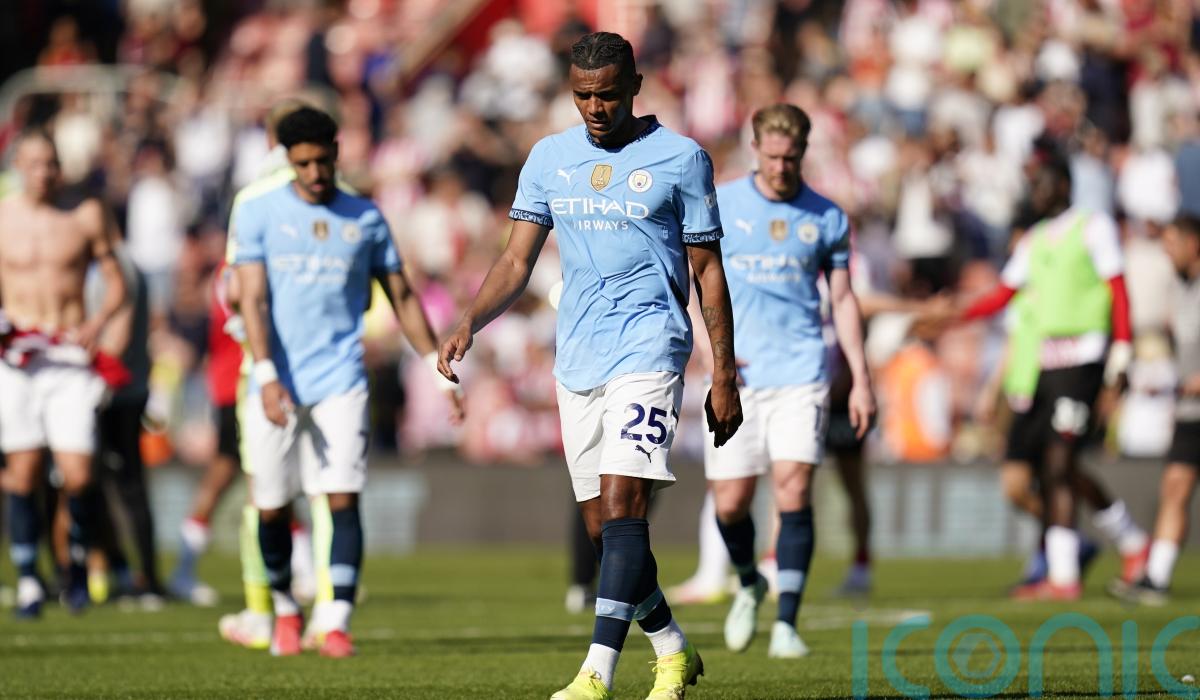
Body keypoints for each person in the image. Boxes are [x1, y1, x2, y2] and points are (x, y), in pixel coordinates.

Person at [440, 31, 742, 700]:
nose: (595, 109)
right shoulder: (550, 158)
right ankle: (672, 648)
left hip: (650, 347)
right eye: (582, 96)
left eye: (607, 96)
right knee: (602, 528)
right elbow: (516, 259)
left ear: (635, 87)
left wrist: (724, 373)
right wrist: (470, 319)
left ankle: (596, 673)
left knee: (624, 504)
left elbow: (708, 271)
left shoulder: (682, 159)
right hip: (577, 355)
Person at [234, 106, 462, 658]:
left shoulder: (365, 216)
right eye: (303, 164)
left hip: (340, 378)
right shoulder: (258, 211)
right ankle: (285, 610)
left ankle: (335, 619)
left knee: (343, 495)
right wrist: (265, 374)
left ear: (336, 154)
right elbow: (252, 300)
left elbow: (400, 294)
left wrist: (436, 371)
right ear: (288, 161)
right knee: (271, 504)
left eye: (322, 160)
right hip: (277, 379)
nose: (315, 172)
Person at [703, 104, 874, 658]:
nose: (781, 167)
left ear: (803, 152)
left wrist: (861, 377)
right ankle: (749, 581)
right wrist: (714, 358)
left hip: (802, 372)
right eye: (773, 156)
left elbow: (843, 299)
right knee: (730, 503)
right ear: (755, 149)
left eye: (791, 157)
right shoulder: (722, 204)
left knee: (794, 490)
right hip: (739, 377)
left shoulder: (827, 216)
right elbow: (698, 282)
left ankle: (787, 624)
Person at [960, 150, 1146, 600]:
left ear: (1064, 184)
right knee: (1053, 466)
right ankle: (1129, 542)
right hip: (1046, 365)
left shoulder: (1093, 227)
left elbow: (1118, 291)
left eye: (1043, 184)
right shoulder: (1035, 240)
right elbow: (1003, 294)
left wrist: (1121, 353)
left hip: (1084, 358)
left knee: (1060, 463)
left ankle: (1065, 576)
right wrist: (952, 315)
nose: (1036, 193)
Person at [0, 129, 127, 617]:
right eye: (35, 164)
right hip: (18, 360)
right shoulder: (5, 216)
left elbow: (118, 281)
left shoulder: (85, 213)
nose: (44, 173)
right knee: (24, 470)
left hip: (70, 357)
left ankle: (75, 566)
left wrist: (99, 324)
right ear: (17, 165)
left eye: (51, 163)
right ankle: (30, 579)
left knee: (79, 473)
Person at [1110, 216, 1200, 605]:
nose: (1167, 252)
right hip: (1190, 409)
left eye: (1173, 243)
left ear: (1194, 243)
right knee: (1175, 486)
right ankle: (1156, 578)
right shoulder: (1177, 289)